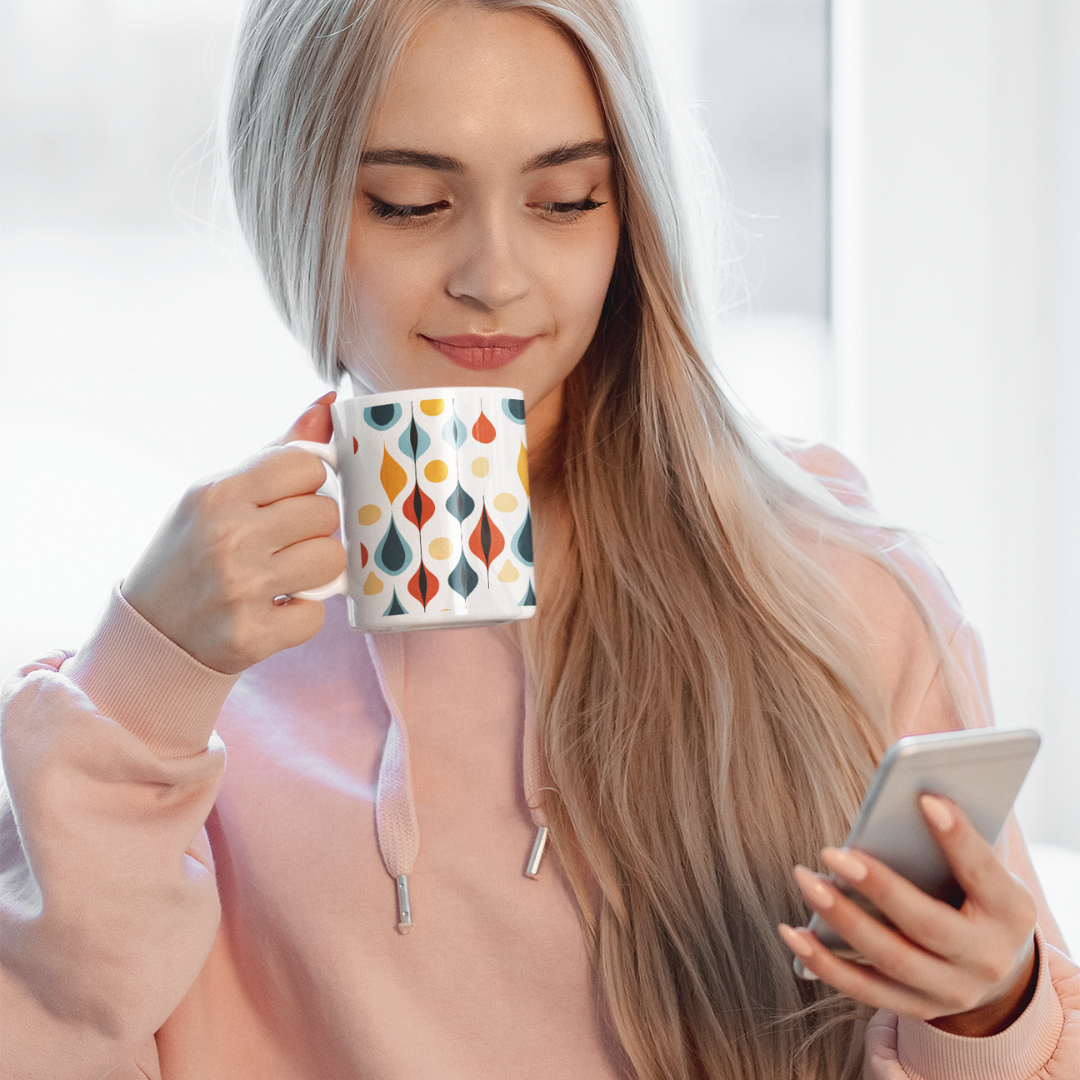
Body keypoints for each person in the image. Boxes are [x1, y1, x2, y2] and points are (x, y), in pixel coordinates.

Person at [1, 1, 1076, 1077]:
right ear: (290, 200)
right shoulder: (191, 674)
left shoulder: (837, 587)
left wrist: (988, 1010)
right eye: (411, 203)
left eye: (564, 201)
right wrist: (144, 682)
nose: (495, 276)